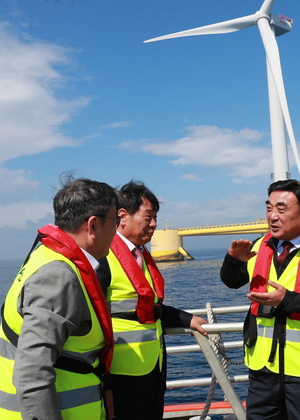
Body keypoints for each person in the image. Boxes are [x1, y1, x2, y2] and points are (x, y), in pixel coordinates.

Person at [220, 179, 300, 420]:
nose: (272, 216)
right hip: (262, 370)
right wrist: (233, 261)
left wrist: (286, 300)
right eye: (269, 208)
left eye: (281, 209)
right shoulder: (258, 247)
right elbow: (231, 281)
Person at [0, 176, 119, 420]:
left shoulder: (44, 255)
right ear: (93, 225)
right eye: (115, 221)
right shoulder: (58, 276)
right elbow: (32, 373)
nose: (117, 230)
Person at [101, 180, 207, 420]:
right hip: (120, 372)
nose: (154, 224)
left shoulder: (140, 255)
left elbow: (147, 307)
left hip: (153, 366)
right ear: (123, 216)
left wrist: (186, 319)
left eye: (156, 217)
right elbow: (93, 318)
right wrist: (104, 383)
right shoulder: (103, 257)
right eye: (148, 217)